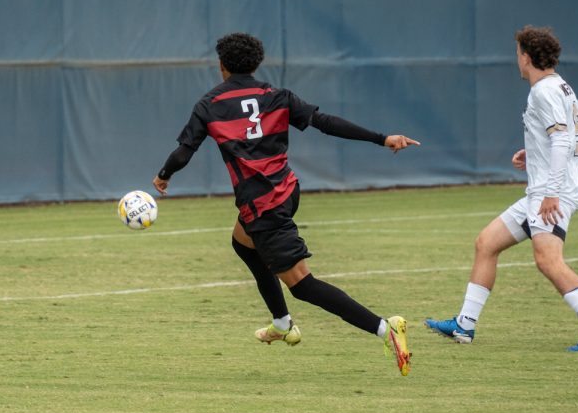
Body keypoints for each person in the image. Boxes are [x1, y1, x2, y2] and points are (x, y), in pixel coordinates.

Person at [152, 33, 421, 376]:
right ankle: (281, 323)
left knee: (303, 286)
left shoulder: (210, 104)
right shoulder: (276, 96)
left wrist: (163, 176)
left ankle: (386, 328)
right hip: (287, 190)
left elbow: (183, 152)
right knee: (242, 243)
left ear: (221, 66)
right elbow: (326, 123)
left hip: (264, 207)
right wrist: (382, 138)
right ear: (257, 63)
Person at [426, 26, 578, 352]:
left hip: (550, 194)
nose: (517, 60)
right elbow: (577, 136)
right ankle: (464, 326)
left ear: (526, 57)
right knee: (486, 243)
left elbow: (564, 139)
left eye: (517, 53)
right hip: (541, 192)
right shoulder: (562, 87)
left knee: (548, 261)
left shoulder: (543, 91)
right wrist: (535, 152)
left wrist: (552, 191)